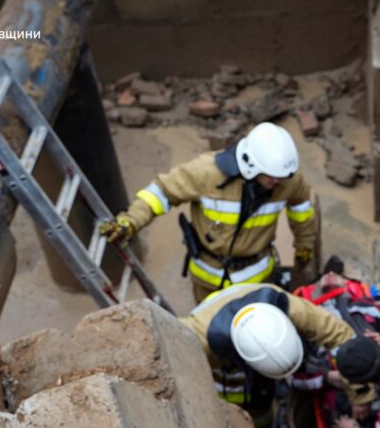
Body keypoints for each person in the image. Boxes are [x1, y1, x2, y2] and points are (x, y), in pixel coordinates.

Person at [100, 122, 318, 301]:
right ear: (251, 164)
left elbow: (301, 210)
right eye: (271, 175)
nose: (277, 182)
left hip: (256, 277)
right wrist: (131, 221)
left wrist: (304, 246)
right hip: (208, 277)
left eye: (282, 177)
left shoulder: (288, 180)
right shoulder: (206, 173)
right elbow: (162, 192)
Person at [180, 282, 353, 428]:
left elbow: (345, 339)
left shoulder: (291, 308)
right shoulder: (194, 339)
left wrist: (358, 394)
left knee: (261, 410)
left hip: (250, 374)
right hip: (223, 377)